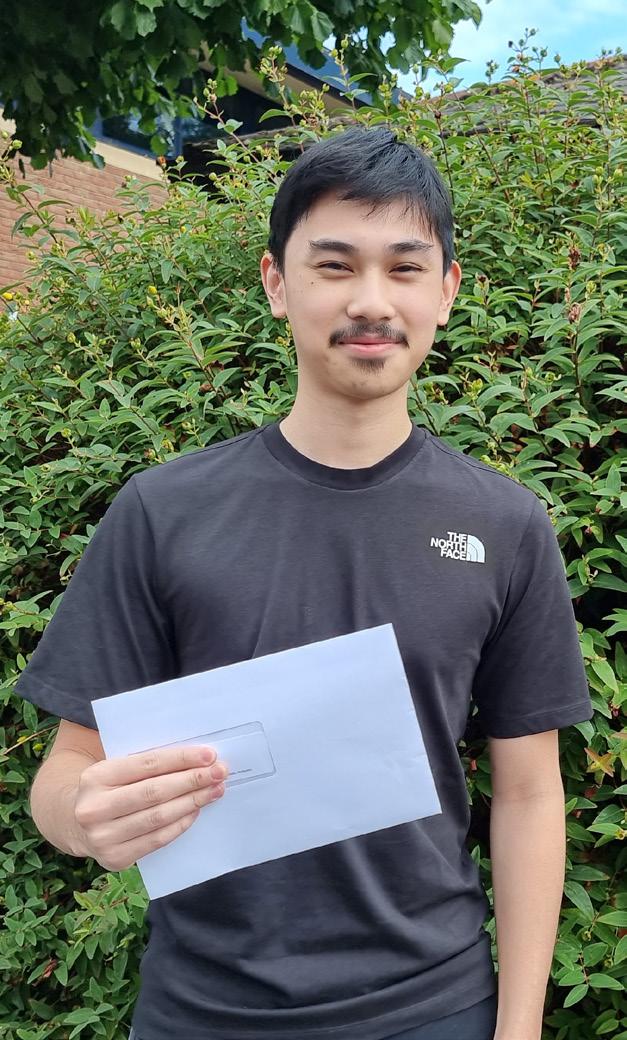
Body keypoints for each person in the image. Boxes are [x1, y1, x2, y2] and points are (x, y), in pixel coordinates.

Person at [16, 125, 593, 1040]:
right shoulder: (163, 512)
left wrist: (517, 1029)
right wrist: (84, 821)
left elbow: (527, 793)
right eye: (333, 265)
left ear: (446, 292)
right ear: (276, 284)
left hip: (432, 1008)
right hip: (202, 1011)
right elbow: (67, 771)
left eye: (404, 268)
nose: (370, 300)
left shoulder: (504, 525)